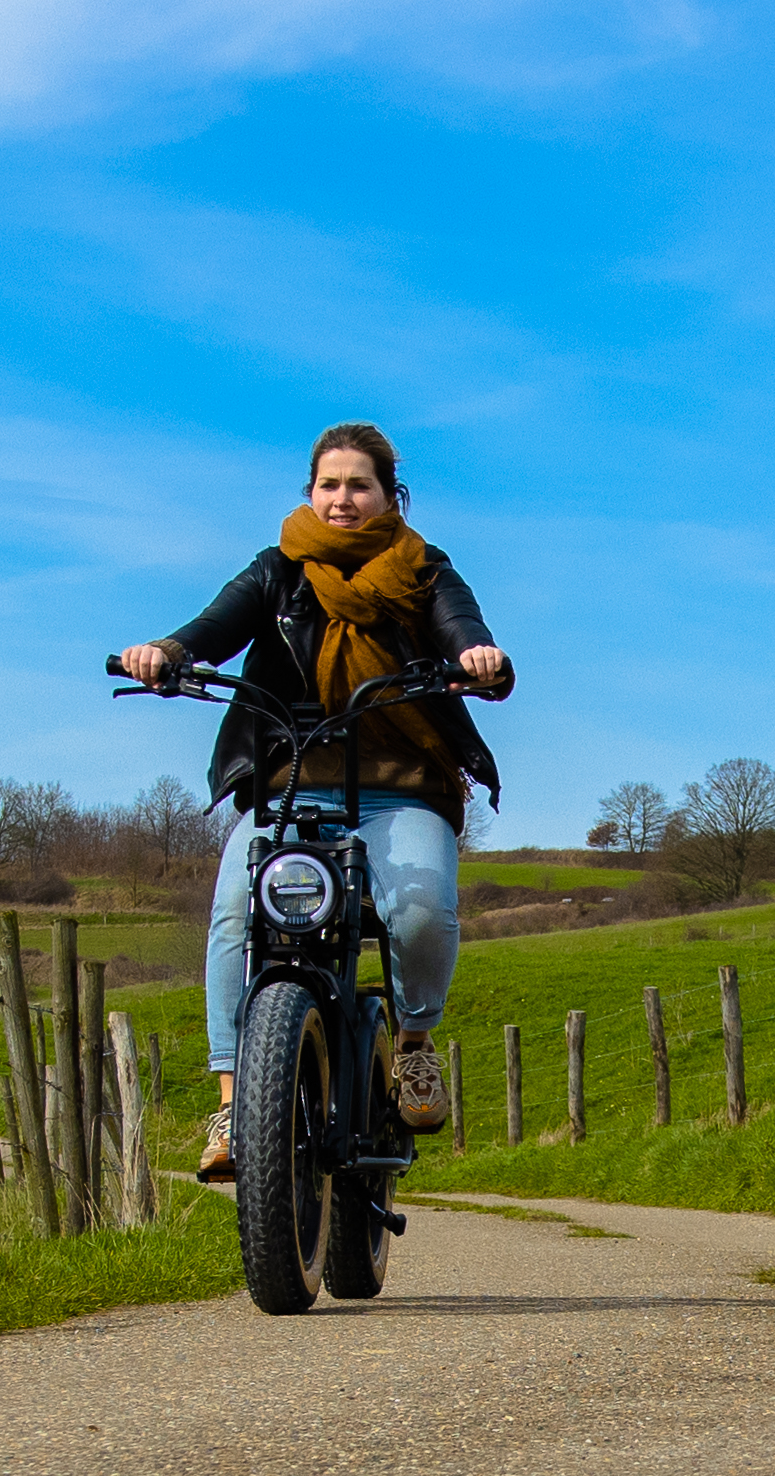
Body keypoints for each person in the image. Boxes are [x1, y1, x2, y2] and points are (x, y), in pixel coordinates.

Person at [115, 423, 512, 1178]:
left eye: (359, 484)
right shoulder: (278, 570)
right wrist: (168, 652)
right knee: (235, 913)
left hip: (401, 793)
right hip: (288, 787)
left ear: (389, 495)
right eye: (329, 484)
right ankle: (234, 1101)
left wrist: (475, 655)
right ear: (310, 492)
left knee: (420, 909)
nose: (342, 499)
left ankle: (414, 1045)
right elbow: (214, 626)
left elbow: (460, 625)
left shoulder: (423, 570)